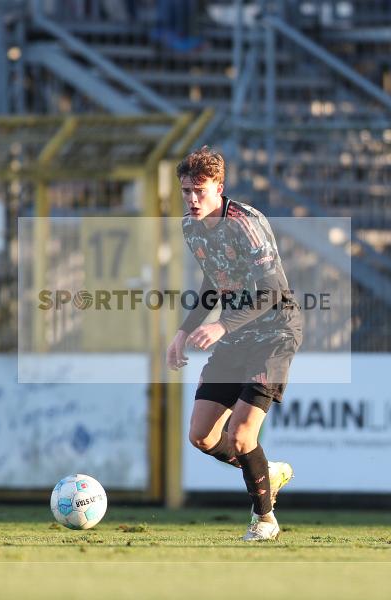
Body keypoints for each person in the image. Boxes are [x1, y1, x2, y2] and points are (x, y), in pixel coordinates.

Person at [166, 146, 303, 541]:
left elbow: (273, 291)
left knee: (243, 436)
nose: (192, 200)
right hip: (237, 334)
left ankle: (265, 521)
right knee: (202, 437)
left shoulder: (245, 224)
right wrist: (183, 331)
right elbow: (214, 281)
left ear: (219, 187)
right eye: (186, 191)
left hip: (274, 334)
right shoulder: (191, 227)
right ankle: (267, 470)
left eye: (200, 191)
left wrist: (222, 325)